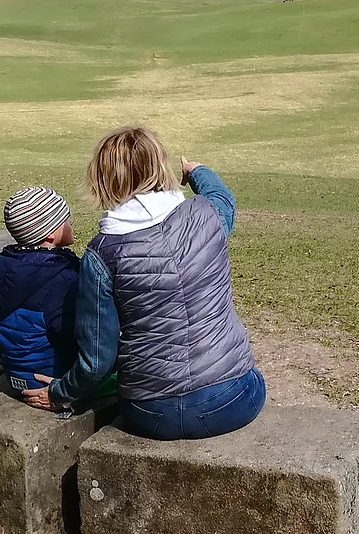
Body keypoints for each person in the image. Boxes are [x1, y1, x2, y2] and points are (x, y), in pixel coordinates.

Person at [24, 126, 265, 440]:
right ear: (159, 167)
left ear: (104, 179)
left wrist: (60, 393)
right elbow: (223, 198)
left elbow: (97, 357)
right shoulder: (206, 215)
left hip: (149, 412)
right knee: (253, 377)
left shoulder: (101, 253)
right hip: (231, 400)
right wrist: (197, 172)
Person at [0, 186, 82, 397]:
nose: (71, 223)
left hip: (17, 377)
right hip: (52, 379)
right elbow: (77, 336)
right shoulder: (61, 279)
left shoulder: (0, 267)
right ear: (50, 234)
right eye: (65, 219)